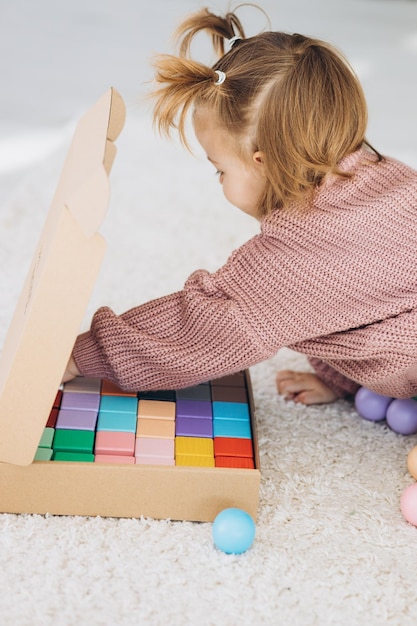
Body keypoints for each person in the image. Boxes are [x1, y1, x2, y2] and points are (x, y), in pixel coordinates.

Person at [63, 5, 417, 405]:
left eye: (219, 171)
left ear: (261, 163)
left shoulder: (291, 261)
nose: (220, 183)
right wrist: (342, 381)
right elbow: (365, 303)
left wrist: (82, 356)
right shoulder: (388, 175)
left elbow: (200, 329)